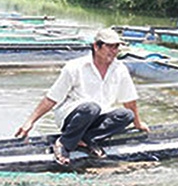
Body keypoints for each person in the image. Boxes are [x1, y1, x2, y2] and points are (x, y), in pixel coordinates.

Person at [15, 28, 149, 165]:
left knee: (126, 115)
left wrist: (137, 123)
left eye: (116, 47)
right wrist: (30, 122)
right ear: (96, 46)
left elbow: (129, 100)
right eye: (109, 46)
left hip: (97, 116)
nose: (114, 51)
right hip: (73, 116)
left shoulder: (120, 69)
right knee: (91, 108)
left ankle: (86, 139)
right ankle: (64, 143)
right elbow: (52, 98)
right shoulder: (75, 67)